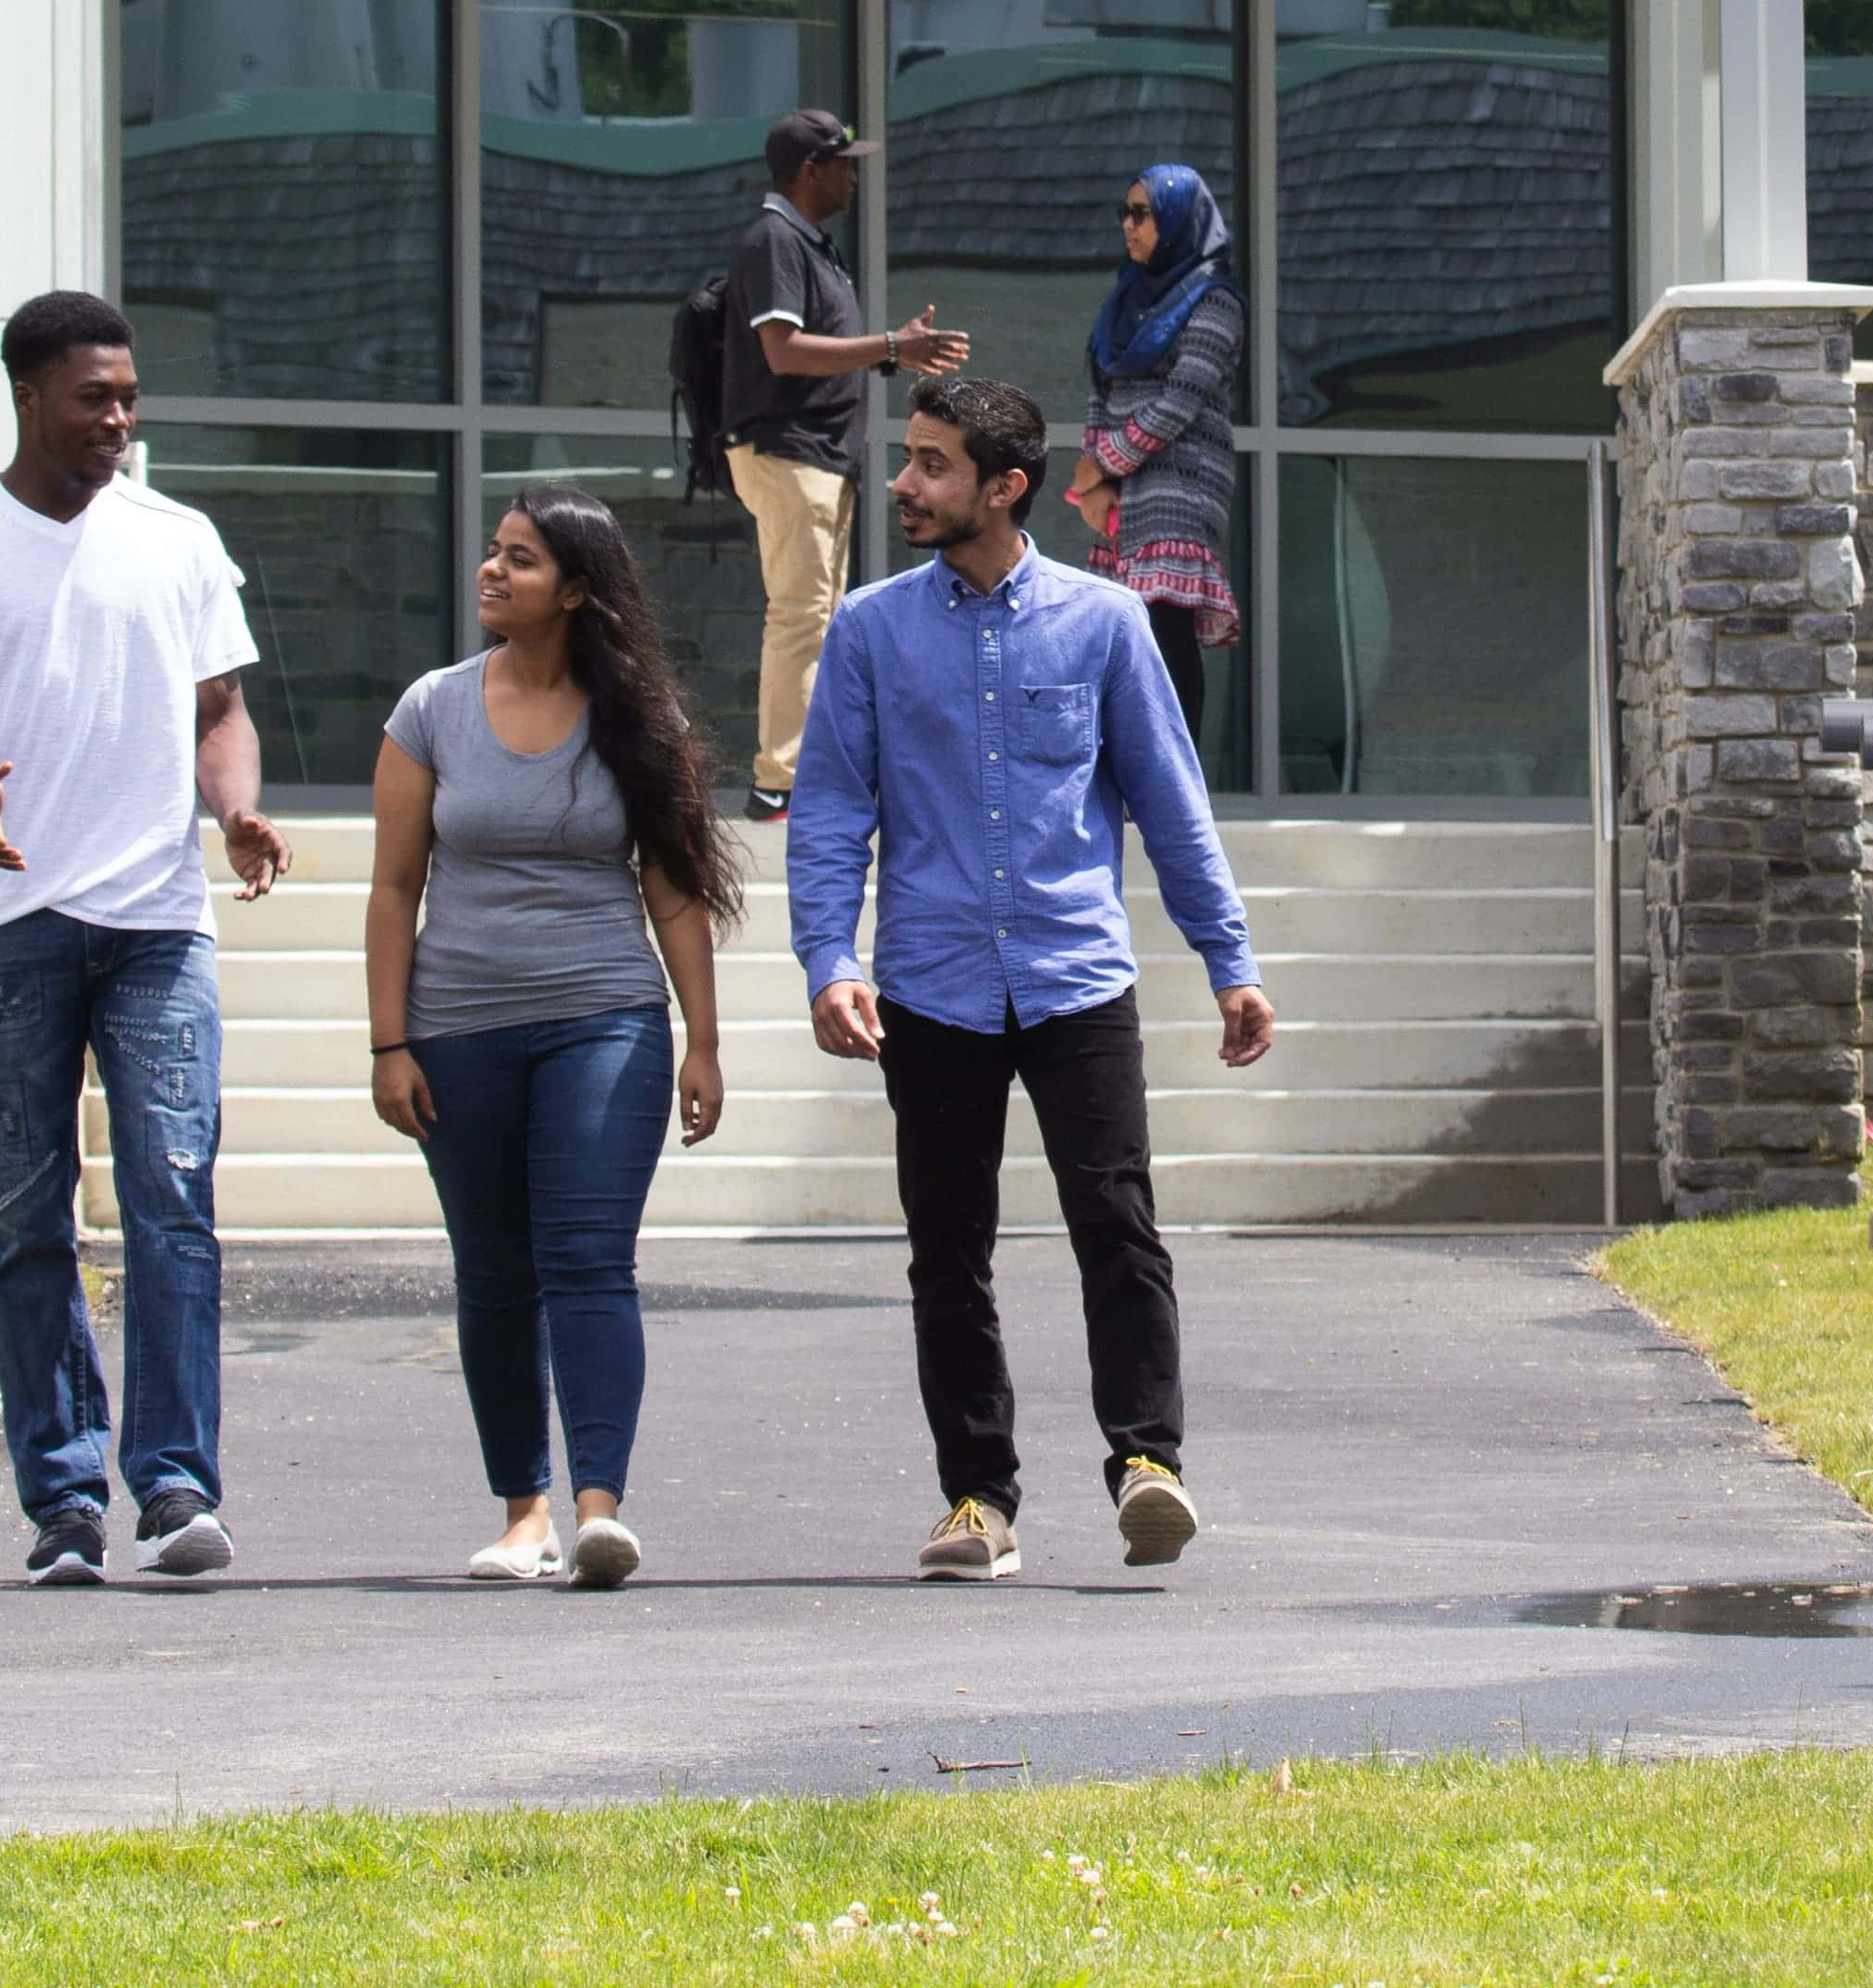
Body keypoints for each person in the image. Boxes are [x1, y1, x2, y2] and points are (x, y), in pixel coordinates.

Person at [791, 376, 1274, 1581]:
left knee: (1118, 1228)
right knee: (947, 1249)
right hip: (931, 981)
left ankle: (1147, 1465)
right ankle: (977, 1500)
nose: (905, 482)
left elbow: (1172, 803)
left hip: (1076, 979)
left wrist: (1231, 963)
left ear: (1003, 488)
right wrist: (827, 959)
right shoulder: (869, 630)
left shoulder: (1106, 625)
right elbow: (833, 808)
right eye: (908, 459)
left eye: (933, 464)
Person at [0, 290, 286, 1590]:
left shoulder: (178, 539)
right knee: (29, 1216)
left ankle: (172, 1488)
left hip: (159, 921)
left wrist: (236, 808)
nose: (118, 418)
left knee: (173, 1197)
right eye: (93, 398)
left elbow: (221, 710)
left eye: (128, 396)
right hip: (14, 926)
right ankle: (63, 1503)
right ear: (27, 397)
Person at [362, 486, 737, 1590]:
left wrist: (703, 1043)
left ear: (575, 590)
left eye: (519, 560)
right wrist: (389, 1043)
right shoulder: (430, 709)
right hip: (458, 1028)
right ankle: (523, 1512)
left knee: (586, 1261)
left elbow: (675, 896)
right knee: (493, 1272)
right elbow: (394, 887)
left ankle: (598, 1510)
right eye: (493, 554)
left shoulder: (642, 719)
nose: (491, 572)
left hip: (604, 1020)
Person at [720, 108, 969, 822]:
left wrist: (890, 349)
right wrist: (890, 345)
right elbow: (783, 352)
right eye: (843, 163)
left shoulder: (811, 245)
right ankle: (779, 782)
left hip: (822, 456)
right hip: (788, 450)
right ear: (809, 172)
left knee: (822, 618)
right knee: (801, 615)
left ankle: (808, 773)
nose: (853, 176)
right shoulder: (774, 239)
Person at [1064, 163, 1246, 749]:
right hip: (1120, 484)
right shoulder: (1124, 302)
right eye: (1125, 212)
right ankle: (1127, 775)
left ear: (1176, 221)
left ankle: (1176, 780)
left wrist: (1105, 463)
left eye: (1142, 213)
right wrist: (1094, 481)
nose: (1128, 225)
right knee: (1117, 634)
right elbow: (1101, 389)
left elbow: (1182, 399)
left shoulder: (1215, 302)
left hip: (1180, 483)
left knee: (1164, 625)